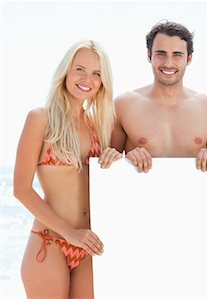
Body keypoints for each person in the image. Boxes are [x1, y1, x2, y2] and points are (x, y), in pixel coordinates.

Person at [13, 40, 120, 298]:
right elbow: (21, 190)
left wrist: (118, 156)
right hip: (50, 243)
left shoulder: (101, 127)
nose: (87, 79)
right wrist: (69, 233)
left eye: (97, 73)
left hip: (90, 245)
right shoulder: (40, 119)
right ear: (66, 72)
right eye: (80, 69)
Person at [112, 21, 207, 171]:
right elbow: (105, 165)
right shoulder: (123, 106)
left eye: (177, 55)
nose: (168, 63)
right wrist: (125, 160)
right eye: (161, 54)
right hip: (141, 194)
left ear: (189, 58)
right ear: (149, 56)